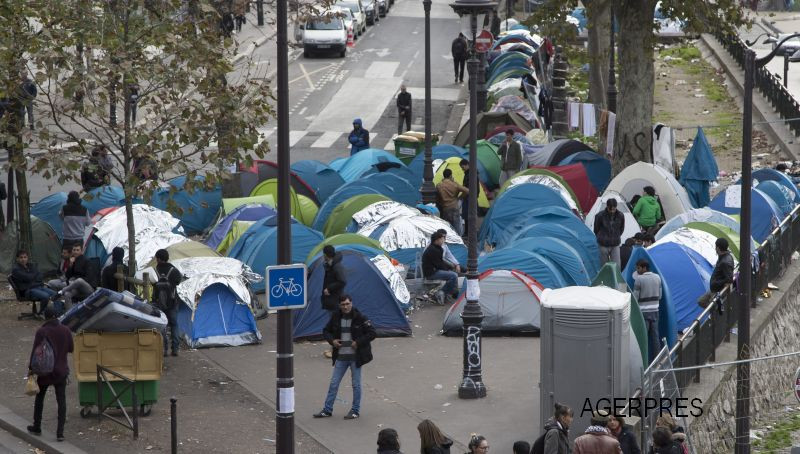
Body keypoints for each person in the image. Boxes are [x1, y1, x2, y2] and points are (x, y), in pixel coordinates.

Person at [313, 294, 376, 420]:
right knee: (334, 383)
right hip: (341, 357)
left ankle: (355, 410)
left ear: (351, 303)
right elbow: (326, 331)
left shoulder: (360, 317)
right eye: (343, 305)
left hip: (355, 358)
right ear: (339, 305)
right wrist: (332, 341)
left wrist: (358, 342)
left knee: (356, 384)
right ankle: (327, 410)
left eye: (347, 304)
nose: (346, 307)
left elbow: (372, 333)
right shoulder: (336, 317)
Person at [27, 304, 74, 442]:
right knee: (61, 401)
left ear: (46, 317)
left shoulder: (42, 331)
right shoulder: (65, 330)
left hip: (45, 371)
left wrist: (31, 369)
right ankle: (60, 433)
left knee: (39, 398)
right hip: (61, 371)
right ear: (57, 315)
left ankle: (37, 426)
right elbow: (71, 348)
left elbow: (35, 352)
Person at [154, 249, 183, 357]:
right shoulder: (173, 270)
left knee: (162, 326)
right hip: (172, 301)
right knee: (174, 325)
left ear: (159, 259)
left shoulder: (154, 270)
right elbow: (178, 282)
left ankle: (164, 349)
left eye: (156, 258)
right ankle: (175, 349)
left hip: (159, 303)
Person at [633, 260, 662, 363]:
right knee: (655, 337)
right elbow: (660, 295)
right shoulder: (658, 277)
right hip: (655, 311)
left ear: (644, 268)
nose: (637, 270)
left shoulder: (639, 280)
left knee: (643, 337)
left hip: (643, 312)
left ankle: (643, 361)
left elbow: (635, 298)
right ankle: (658, 360)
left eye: (638, 268)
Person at [12, 250, 56, 316]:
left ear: (27, 258)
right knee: (45, 296)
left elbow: (40, 275)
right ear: (17, 259)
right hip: (27, 290)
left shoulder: (30, 265)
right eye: (21, 257)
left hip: (37, 286)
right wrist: (34, 275)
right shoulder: (16, 269)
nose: (23, 259)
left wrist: (33, 276)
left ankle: (58, 312)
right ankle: (41, 313)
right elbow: (28, 278)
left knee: (56, 294)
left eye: (25, 257)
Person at [697, 238, 735, 308]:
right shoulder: (723, 257)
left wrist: (717, 283)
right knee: (701, 301)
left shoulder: (725, 262)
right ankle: (714, 312)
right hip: (714, 289)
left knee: (713, 307)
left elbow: (729, 279)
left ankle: (715, 313)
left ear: (717, 248)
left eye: (715, 246)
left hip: (718, 290)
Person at [421, 232, 459, 302]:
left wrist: (449, 268)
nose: (443, 241)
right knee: (453, 275)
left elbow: (440, 263)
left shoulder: (438, 248)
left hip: (435, 270)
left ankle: (451, 293)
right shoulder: (433, 250)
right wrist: (448, 270)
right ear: (437, 240)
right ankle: (442, 292)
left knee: (452, 274)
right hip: (431, 273)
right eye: (442, 239)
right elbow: (439, 265)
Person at [56, 243, 95, 309]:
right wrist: (71, 264)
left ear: (81, 251)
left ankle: (62, 291)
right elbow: (67, 276)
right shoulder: (73, 260)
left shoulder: (87, 261)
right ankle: (69, 315)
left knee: (79, 280)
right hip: (76, 286)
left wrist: (74, 281)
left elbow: (89, 278)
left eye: (77, 250)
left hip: (88, 287)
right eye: (74, 250)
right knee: (67, 294)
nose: (75, 252)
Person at [594, 198, 625, 269]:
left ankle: (616, 280)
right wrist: (602, 237)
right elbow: (596, 229)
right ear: (607, 207)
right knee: (603, 266)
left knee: (617, 266)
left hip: (615, 244)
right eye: (610, 209)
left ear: (616, 207)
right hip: (603, 244)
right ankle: (604, 279)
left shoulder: (621, 215)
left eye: (614, 209)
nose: (612, 211)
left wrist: (616, 236)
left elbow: (621, 228)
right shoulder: (599, 215)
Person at [436, 168, 468, 235]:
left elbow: (437, 198)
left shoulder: (439, 185)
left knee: (447, 226)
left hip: (445, 208)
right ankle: (458, 240)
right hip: (454, 206)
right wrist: (459, 197)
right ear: (451, 176)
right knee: (456, 226)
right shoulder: (454, 184)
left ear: (443, 175)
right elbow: (467, 191)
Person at [459, 159, 471, 236]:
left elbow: (467, 188)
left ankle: (468, 232)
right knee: (467, 215)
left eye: (462, 167)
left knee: (468, 215)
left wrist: (460, 197)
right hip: (468, 196)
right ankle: (467, 232)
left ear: (466, 165)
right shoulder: (468, 173)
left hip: (469, 197)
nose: (462, 168)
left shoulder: (469, 174)